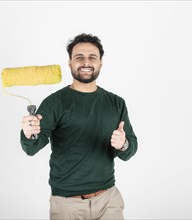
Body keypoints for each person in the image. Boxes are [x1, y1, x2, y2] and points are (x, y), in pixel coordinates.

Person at [20, 33, 138, 220]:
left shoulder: (116, 102)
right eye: (79, 57)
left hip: (109, 200)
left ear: (100, 62)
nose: (86, 62)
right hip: (67, 204)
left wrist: (123, 144)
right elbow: (32, 147)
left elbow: (130, 149)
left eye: (92, 57)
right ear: (69, 63)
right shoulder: (55, 103)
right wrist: (28, 133)